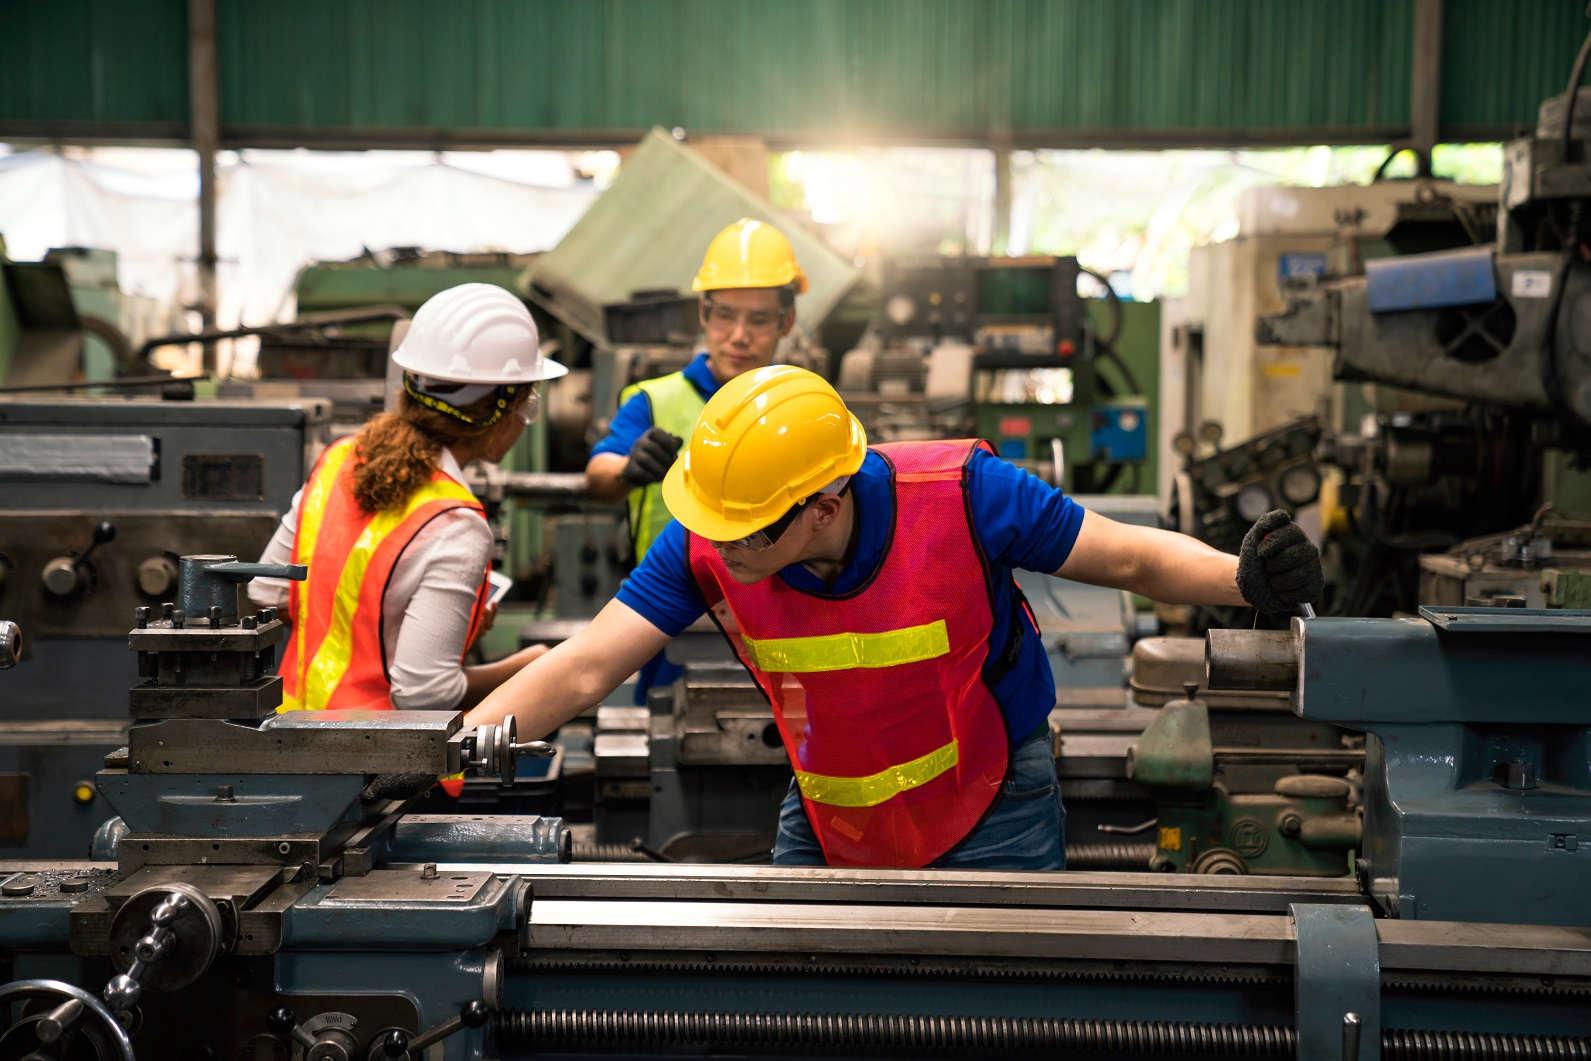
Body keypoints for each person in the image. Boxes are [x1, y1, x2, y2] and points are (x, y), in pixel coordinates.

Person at [468, 366, 1323, 871]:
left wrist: (1242, 576)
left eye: (744, 529)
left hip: (992, 798)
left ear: (824, 503)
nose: (719, 548)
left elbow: (1126, 557)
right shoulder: (710, 540)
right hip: (828, 805)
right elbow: (584, 666)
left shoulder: (962, 494)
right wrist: (436, 758)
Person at [249, 283, 564, 717]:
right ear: (498, 411)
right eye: (528, 405)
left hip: (288, 732)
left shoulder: (340, 459)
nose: (525, 421)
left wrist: (367, 631)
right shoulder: (456, 525)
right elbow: (422, 694)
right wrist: (523, 668)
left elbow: (267, 592)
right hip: (377, 763)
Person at [584, 217, 807, 700]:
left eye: (759, 319)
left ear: (786, 321)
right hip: (672, 621)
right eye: (725, 315)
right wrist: (629, 468)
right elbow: (599, 478)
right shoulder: (652, 401)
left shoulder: (806, 406)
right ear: (703, 313)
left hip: (784, 628)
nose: (739, 335)